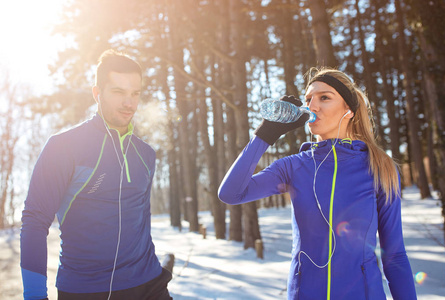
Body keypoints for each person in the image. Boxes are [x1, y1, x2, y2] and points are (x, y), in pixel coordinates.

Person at [218, 67, 417, 299]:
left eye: (325, 98)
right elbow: (231, 193)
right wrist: (265, 134)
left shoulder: (379, 166)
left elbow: (394, 255)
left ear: (349, 110)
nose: (312, 106)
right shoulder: (293, 166)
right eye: (309, 99)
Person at [20, 49, 172, 300]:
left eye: (135, 93)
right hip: (86, 290)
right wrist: (35, 295)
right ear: (97, 93)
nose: (129, 103)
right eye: (118, 92)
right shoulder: (64, 147)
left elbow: (141, 221)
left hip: (148, 284)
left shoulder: (146, 155)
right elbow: (35, 220)